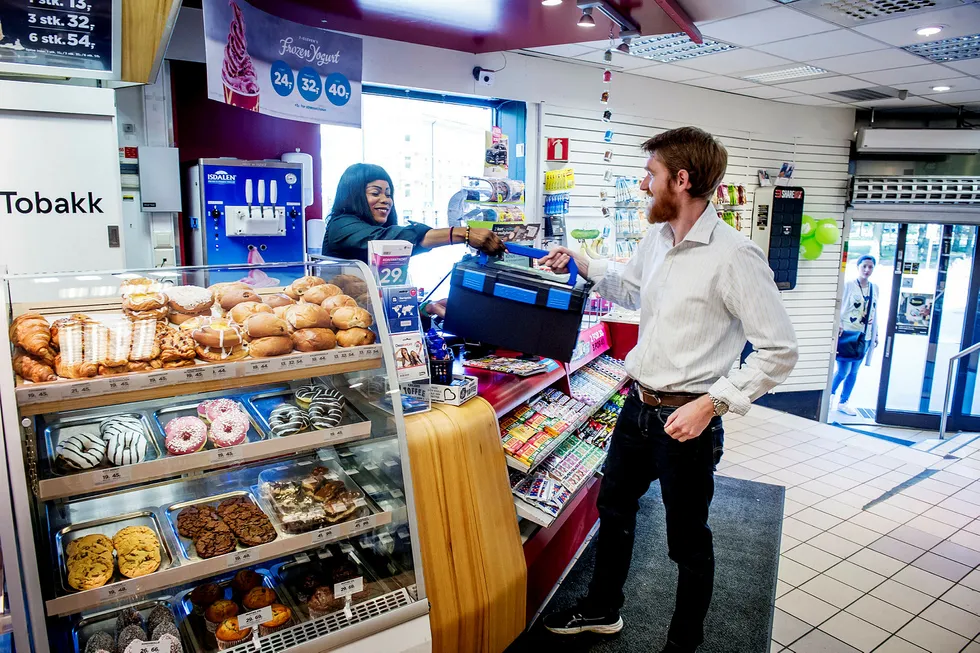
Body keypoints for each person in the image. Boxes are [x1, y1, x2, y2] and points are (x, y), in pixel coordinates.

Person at [537, 127, 798, 653]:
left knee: (688, 543)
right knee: (614, 511)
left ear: (681, 180)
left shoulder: (735, 256)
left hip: (688, 422)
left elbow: (779, 350)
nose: (642, 184)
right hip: (637, 408)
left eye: (651, 174)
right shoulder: (658, 237)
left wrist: (712, 403)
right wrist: (580, 263)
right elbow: (630, 285)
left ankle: (684, 644)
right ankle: (602, 610)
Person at [322, 163, 506, 263]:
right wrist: (462, 233)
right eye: (375, 193)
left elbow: (413, 244)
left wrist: (428, 308)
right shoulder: (341, 226)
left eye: (388, 194)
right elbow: (389, 240)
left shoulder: (384, 232)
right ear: (354, 196)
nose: (386, 200)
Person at [832, 255, 878, 416]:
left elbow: (874, 312)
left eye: (870, 267)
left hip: (864, 336)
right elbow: (839, 308)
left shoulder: (874, 288)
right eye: (864, 266)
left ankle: (843, 402)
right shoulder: (849, 285)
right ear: (858, 267)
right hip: (847, 335)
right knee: (843, 370)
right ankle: (829, 396)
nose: (867, 270)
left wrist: (875, 335)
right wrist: (839, 325)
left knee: (854, 372)